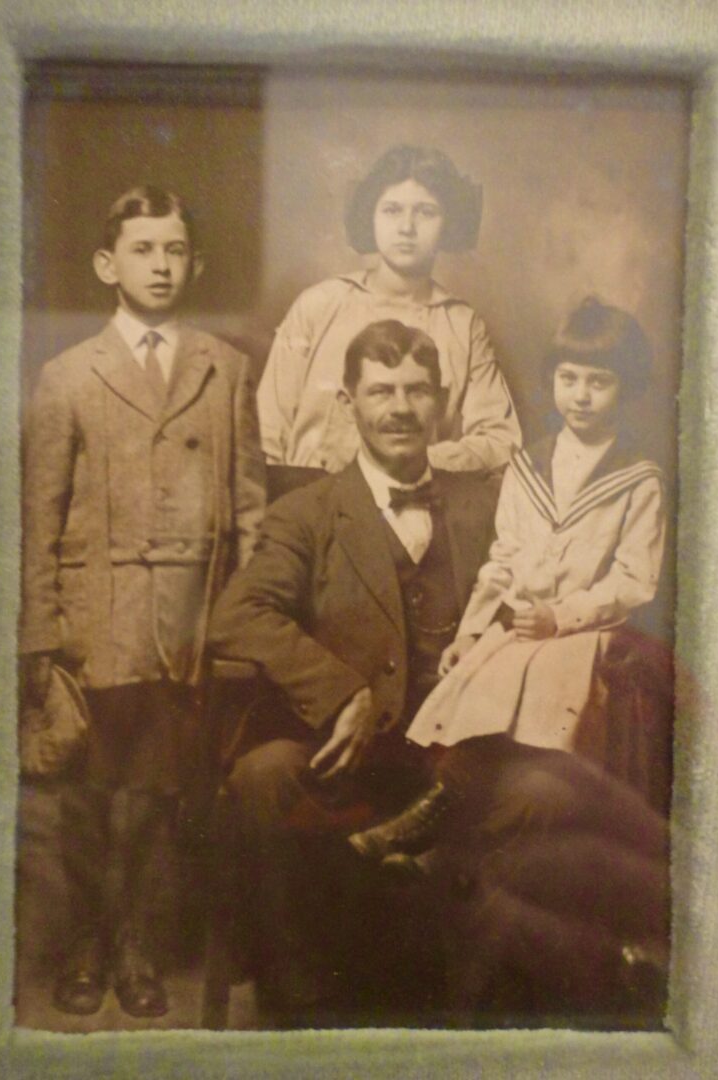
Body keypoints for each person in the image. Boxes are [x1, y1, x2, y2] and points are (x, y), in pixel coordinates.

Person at [206, 318, 501, 1023]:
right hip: (343, 747)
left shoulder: (487, 505)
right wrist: (345, 692)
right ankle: (305, 1007)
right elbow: (238, 614)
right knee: (263, 774)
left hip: (455, 753)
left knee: (539, 785)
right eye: (380, 391)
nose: (400, 408)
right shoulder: (306, 513)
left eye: (417, 390)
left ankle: (477, 1016)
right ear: (349, 401)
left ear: (442, 400)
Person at [19, 186, 265, 1018]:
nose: (159, 266)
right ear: (106, 264)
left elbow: (253, 504)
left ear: (193, 263)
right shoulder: (67, 377)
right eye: (141, 250)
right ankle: (91, 940)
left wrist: (243, 617)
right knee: (93, 798)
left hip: (189, 624)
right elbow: (38, 519)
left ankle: (137, 946)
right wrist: (41, 635)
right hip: (99, 622)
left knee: (160, 798)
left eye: (173, 251)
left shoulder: (224, 368)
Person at [348, 296, 667, 872]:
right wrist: (471, 633)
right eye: (569, 379)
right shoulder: (528, 464)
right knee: (473, 720)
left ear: (629, 389)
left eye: (601, 382)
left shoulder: (638, 478)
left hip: (583, 638)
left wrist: (562, 616)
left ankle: (435, 840)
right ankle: (433, 829)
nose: (582, 395)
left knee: (529, 754)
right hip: (519, 630)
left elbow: (634, 579)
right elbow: (503, 560)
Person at [257, 144, 521, 473]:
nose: (407, 227)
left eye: (426, 212)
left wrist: (418, 462)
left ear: (448, 222)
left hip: (416, 505)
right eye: (392, 210)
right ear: (371, 216)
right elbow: (264, 432)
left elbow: (501, 440)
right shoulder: (319, 305)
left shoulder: (461, 325)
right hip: (308, 503)